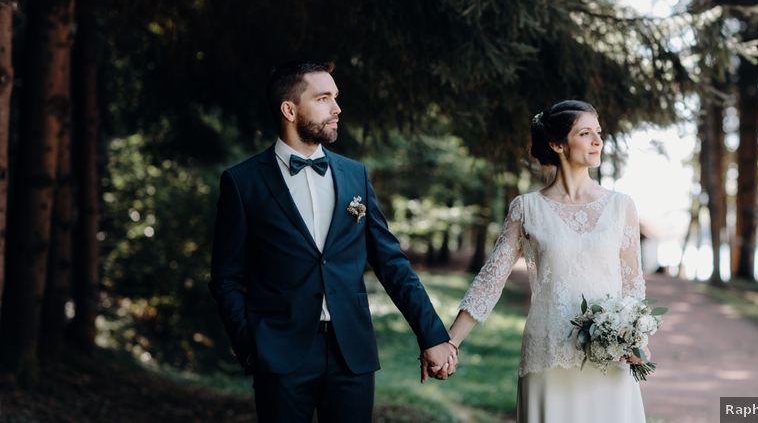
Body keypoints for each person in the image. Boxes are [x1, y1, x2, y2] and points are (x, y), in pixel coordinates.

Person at [209, 61, 457, 423]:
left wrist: (432, 335)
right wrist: (250, 345)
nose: (337, 108)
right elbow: (226, 277)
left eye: (335, 98)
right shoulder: (242, 182)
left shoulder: (354, 175)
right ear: (290, 109)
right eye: (323, 98)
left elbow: (391, 263)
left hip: (351, 353)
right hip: (280, 354)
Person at [444, 100, 649, 422]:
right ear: (557, 144)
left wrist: (635, 337)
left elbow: (633, 283)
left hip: (609, 356)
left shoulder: (622, 206)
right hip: (547, 353)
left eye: (598, 132)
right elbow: (490, 281)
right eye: (585, 133)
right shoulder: (526, 208)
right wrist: (450, 342)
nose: (598, 141)